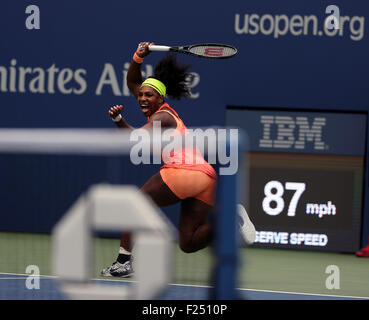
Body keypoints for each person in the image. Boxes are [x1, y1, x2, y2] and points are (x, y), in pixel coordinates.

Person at [101, 42, 256, 277]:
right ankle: (228, 220)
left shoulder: (162, 116)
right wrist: (138, 56)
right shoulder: (158, 109)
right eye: (140, 95)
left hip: (182, 171)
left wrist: (119, 120)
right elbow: (133, 81)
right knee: (188, 242)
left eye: (148, 95)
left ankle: (123, 262)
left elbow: (136, 140)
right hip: (205, 178)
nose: (142, 98)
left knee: (135, 202)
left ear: (160, 97)